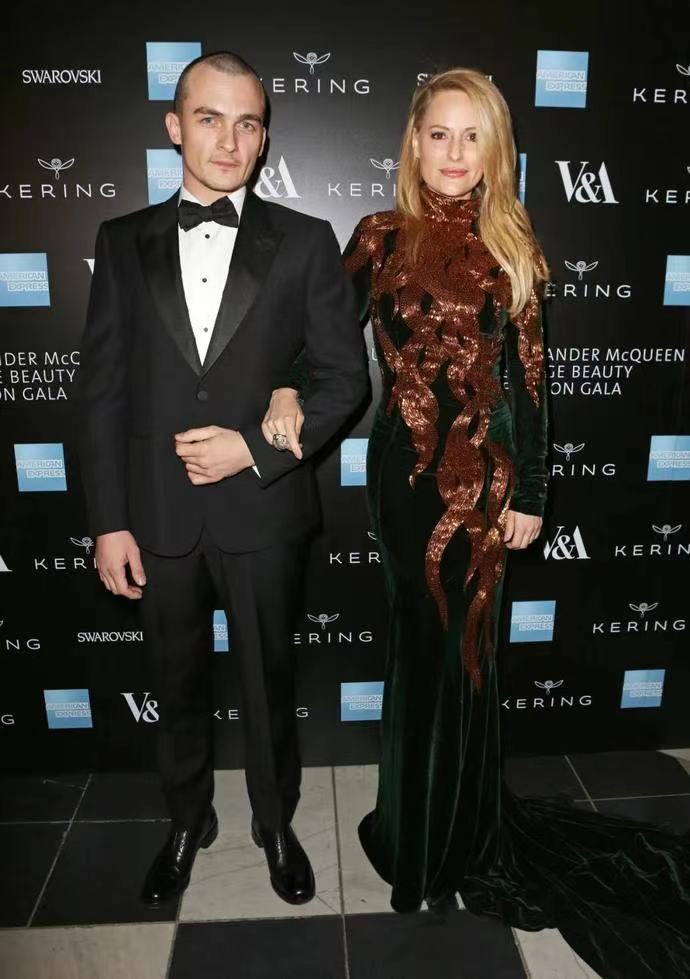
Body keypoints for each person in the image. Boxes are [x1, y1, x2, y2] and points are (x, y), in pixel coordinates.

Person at [267, 69, 690, 976]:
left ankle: (455, 834)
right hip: (402, 487)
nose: (454, 153)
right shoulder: (376, 238)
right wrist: (284, 388)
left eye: (472, 136)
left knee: (467, 661)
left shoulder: (513, 245)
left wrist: (531, 491)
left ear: (495, 150)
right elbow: (321, 343)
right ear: (413, 143)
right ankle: (416, 832)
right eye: (439, 134)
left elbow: (532, 385)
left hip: (489, 494)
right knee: (418, 656)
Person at [78, 50, 369, 908]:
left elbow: (343, 380)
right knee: (173, 682)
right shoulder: (120, 241)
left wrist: (256, 449)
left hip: (264, 510)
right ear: (175, 127)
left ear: (264, 136)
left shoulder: (306, 241)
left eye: (247, 123)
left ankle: (275, 823)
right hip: (156, 514)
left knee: (268, 683)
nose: (229, 140)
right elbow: (101, 391)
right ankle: (186, 819)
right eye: (209, 118)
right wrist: (109, 521)